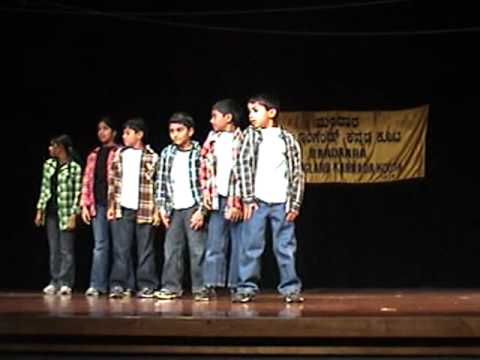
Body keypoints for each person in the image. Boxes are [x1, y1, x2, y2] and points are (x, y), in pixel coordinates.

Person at [233, 94, 305, 303]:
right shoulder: (250, 136)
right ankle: (246, 287)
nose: (251, 116)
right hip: (257, 201)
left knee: (285, 247)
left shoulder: (287, 139)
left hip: (282, 201)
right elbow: (243, 166)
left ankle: (290, 288)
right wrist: (247, 199)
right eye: (249, 112)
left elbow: (296, 173)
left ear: (271, 113)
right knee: (251, 246)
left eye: (256, 111)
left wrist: (295, 203)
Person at [155, 112, 206, 301]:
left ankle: (201, 288)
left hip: (194, 207)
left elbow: (206, 183)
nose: (175, 134)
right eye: (172, 131)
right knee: (172, 250)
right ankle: (171, 287)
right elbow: (161, 181)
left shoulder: (200, 153)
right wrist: (161, 207)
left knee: (197, 250)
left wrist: (203, 210)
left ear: (190, 131)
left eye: (179, 130)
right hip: (174, 207)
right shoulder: (167, 153)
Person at [107, 118, 160, 299]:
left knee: (145, 249)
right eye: (123, 133)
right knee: (121, 249)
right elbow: (113, 183)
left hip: (144, 207)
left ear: (139, 135)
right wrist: (112, 206)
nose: (124, 136)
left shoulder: (151, 156)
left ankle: (146, 285)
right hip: (124, 207)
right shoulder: (119, 155)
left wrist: (156, 211)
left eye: (128, 133)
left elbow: (156, 185)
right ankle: (120, 284)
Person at [200, 99, 244, 300]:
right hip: (217, 197)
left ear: (228, 118)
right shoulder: (211, 140)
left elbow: (242, 173)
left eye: (215, 116)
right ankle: (211, 283)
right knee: (214, 243)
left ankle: (236, 284)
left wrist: (236, 202)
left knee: (238, 244)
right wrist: (206, 199)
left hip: (236, 199)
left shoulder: (242, 139)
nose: (211, 120)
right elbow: (204, 171)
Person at [35, 134, 82, 296]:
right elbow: (44, 189)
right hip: (51, 213)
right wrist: (40, 210)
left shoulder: (74, 167)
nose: (50, 149)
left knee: (66, 250)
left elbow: (78, 192)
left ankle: (65, 282)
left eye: (53, 146)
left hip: (66, 212)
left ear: (61, 148)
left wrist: (74, 215)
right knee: (54, 249)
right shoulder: (48, 165)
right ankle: (54, 281)